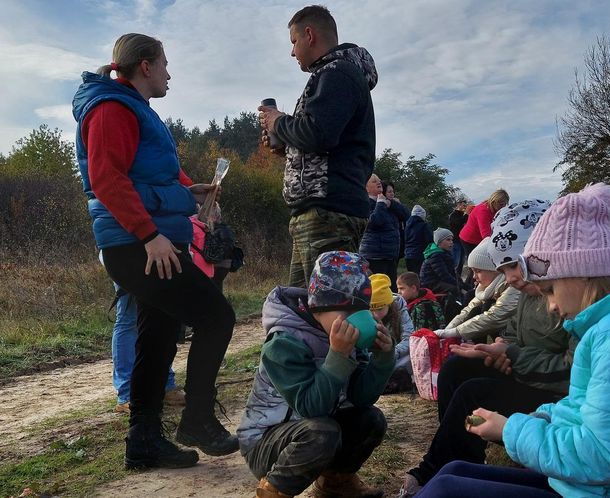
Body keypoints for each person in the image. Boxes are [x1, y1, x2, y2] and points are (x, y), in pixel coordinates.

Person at [418, 183, 610, 498]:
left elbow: (601, 458)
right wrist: (542, 417)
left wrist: (510, 430)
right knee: (452, 474)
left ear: (581, 271)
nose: (549, 304)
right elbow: (580, 406)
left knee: (446, 491)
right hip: (597, 485)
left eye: (549, 289)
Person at [72, 33, 237, 470]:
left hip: (148, 240)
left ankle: (143, 441)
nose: (169, 73)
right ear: (145, 66)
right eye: (165, 64)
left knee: (158, 336)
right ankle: (197, 418)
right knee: (216, 316)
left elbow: (156, 173)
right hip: (135, 244)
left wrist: (190, 190)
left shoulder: (136, 110)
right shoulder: (111, 107)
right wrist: (149, 236)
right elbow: (108, 180)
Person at [399, 199, 570, 496]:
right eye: (505, 269)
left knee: (473, 392)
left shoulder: (568, 298)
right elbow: (513, 337)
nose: (512, 277)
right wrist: (498, 351)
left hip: (553, 393)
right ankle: (460, 455)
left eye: (515, 265)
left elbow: (571, 369)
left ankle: (437, 470)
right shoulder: (527, 294)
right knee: (457, 366)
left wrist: (512, 356)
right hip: (525, 374)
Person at [237, 251, 394, 498]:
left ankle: (335, 483)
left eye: (361, 312)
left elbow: (361, 397)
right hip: (267, 442)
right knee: (322, 431)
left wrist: (383, 359)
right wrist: (338, 356)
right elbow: (310, 406)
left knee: (370, 419)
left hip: (315, 427)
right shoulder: (284, 343)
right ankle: (273, 491)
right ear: (318, 306)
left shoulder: (344, 336)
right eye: (347, 312)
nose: (355, 321)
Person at [258, 5, 378, 288]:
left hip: (328, 212)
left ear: (309, 35)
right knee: (304, 312)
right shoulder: (334, 74)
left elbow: (318, 133)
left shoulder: (337, 73)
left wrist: (278, 122)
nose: (292, 52)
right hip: (319, 213)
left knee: (329, 310)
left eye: (293, 42)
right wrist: (287, 148)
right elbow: (323, 144)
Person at [436, 238, 520, 343]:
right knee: (476, 309)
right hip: (505, 339)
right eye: (473, 271)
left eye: (478, 271)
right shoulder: (489, 286)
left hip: (519, 343)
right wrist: (447, 330)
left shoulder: (515, 287)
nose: (474, 277)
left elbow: (495, 316)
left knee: (486, 307)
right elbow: (469, 309)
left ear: (494, 270)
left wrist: (455, 332)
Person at [369, 273, 415, 393]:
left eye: (379, 309)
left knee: (414, 356)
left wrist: (392, 353)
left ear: (389, 305)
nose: (375, 315)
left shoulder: (399, 309)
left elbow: (409, 337)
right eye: (371, 309)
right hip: (370, 359)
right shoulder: (362, 313)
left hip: (396, 356)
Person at [359, 174, 403, 289]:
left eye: (379, 180)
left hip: (390, 255)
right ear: (366, 188)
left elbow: (407, 216)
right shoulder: (364, 203)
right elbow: (375, 222)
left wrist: (392, 204)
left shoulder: (387, 203)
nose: (378, 182)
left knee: (391, 290)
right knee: (377, 290)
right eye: (374, 181)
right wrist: (381, 204)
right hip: (374, 256)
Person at [459, 189, 508, 289]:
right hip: (469, 239)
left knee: (478, 265)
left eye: (504, 204)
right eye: (501, 204)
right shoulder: (483, 210)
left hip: (478, 239)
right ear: (494, 201)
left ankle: (471, 286)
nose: (502, 207)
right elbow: (486, 235)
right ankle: (471, 288)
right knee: (476, 265)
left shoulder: (495, 210)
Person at [419, 228, 458, 296]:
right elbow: (443, 274)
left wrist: (461, 283)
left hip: (437, 281)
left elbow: (452, 272)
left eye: (452, 240)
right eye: (448, 240)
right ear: (439, 242)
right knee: (454, 288)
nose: (451, 242)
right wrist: (457, 283)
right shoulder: (436, 255)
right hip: (430, 283)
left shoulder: (445, 253)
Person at [383, 180, 409, 267]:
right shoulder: (379, 206)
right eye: (389, 192)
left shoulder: (395, 205)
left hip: (395, 248)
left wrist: (395, 204)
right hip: (383, 249)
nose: (392, 194)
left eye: (393, 191)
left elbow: (407, 215)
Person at [404, 205, 433, 274]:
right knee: (420, 276)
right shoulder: (424, 225)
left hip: (408, 255)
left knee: (412, 277)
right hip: (420, 254)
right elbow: (430, 240)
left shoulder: (407, 225)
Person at [448, 197, 468, 278]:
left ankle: (458, 277)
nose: (464, 207)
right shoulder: (453, 215)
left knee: (461, 261)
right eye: (463, 205)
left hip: (463, 241)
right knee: (455, 260)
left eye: (465, 206)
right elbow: (458, 223)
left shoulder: (463, 215)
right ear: (458, 205)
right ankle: (452, 276)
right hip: (456, 241)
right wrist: (466, 214)